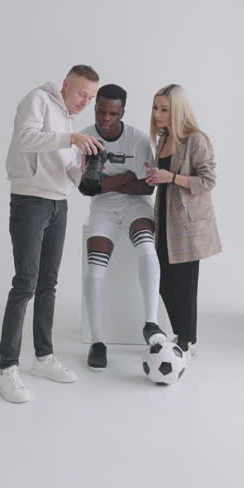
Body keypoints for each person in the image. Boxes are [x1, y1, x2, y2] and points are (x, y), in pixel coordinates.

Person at [0, 65, 104, 404]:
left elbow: (66, 170)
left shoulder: (68, 121)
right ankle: (7, 370)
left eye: (90, 97)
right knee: (25, 283)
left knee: (48, 284)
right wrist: (71, 138)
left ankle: (43, 358)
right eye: (82, 93)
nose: (85, 101)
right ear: (66, 85)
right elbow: (26, 138)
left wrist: (86, 170)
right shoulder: (37, 100)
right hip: (30, 201)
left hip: (59, 204)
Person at [78, 84, 169, 371]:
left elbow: (147, 186)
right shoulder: (85, 137)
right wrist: (126, 177)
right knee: (94, 271)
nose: (105, 118)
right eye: (101, 112)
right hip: (103, 208)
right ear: (95, 108)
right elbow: (88, 188)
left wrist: (108, 183)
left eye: (113, 113)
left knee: (146, 248)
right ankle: (97, 342)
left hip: (136, 204)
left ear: (123, 112)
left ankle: (151, 323)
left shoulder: (138, 139)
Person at [144, 84, 220, 356]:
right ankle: (182, 334)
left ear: (178, 111)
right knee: (163, 282)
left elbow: (208, 181)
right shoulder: (163, 139)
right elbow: (164, 180)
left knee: (185, 286)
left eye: (164, 109)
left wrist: (172, 177)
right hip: (165, 221)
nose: (157, 114)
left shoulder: (196, 139)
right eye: (155, 108)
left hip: (188, 225)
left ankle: (187, 341)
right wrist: (154, 177)